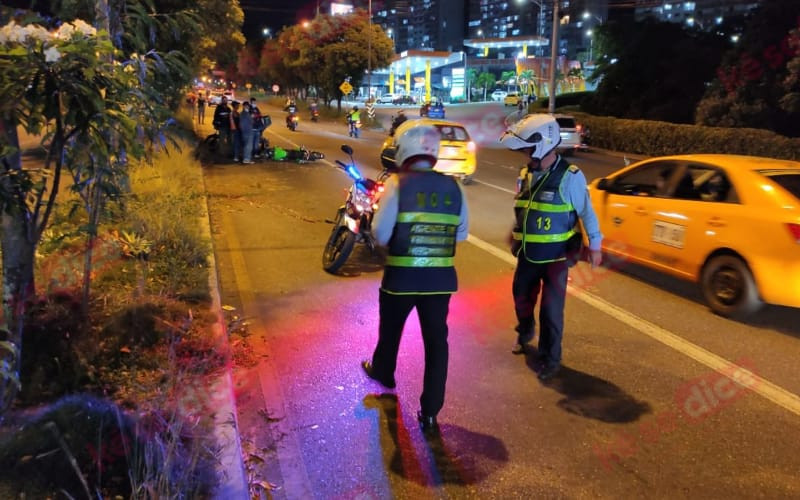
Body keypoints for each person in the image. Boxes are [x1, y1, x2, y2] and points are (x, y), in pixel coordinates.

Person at [360, 124, 470, 436]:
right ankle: (431, 412)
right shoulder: (455, 187)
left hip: (401, 279)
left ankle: (384, 373)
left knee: (391, 331)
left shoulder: (398, 184)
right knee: (437, 344)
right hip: (441, 282)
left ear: (404, 150)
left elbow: (380, 236)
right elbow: (461, 233)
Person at [499, 114, 603, 381]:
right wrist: (515, 232)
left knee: (551, 310)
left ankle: (550, 359)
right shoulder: (526, 173)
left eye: (527, 148)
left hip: (557, 255)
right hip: (528, 254)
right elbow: (525, 208)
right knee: (521, 297)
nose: (524, 153)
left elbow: (587, 212)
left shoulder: (570, 177)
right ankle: (525, 331)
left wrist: (595, 245)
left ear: (542, 143)